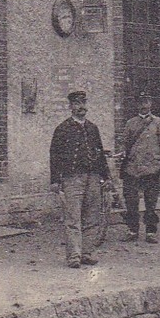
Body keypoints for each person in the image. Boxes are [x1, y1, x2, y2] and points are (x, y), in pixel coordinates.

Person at [49, 89, 111, 268]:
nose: (81, 107)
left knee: (92, 218)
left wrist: (105, 177)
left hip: (93, 177)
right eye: (77, 103)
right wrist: (55, 180)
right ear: (70, 107)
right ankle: (74, 256)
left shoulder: (93, 128)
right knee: (73, 218)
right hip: (72, 178)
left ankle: (87, 252)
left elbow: (99, 154)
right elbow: (54, 155)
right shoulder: (62, 129)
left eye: (83, 103)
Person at [118, 94, 160, 244]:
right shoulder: (131, 123)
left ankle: (151, 231)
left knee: (151, 201)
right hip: (133, 168)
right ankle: (132, 230)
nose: (144, 105)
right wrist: (123, 152)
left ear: (151, 103)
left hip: (152, 167)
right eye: (141, 103)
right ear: (136, 105)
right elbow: (124, 143)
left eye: (146, 102)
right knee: (131, 201)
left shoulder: (158, 123)